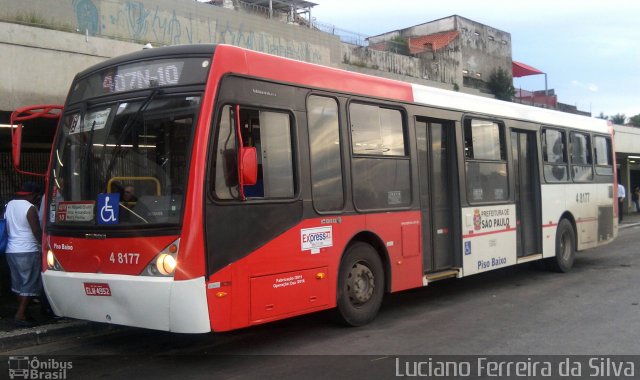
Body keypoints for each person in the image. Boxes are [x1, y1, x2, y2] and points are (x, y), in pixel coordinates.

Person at [4, 182, 43, 327]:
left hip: (11, 250)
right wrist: (44, 245)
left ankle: (24, 313)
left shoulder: (9, 205)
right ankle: (20, 314)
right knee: (30, 283)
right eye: (36, 195)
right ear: (32, 195)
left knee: (19, 284)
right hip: (27, 250)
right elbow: (36, 230)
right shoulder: (30, 208)